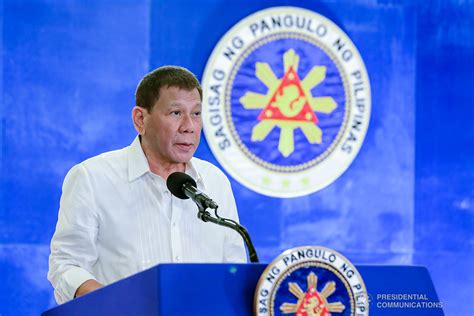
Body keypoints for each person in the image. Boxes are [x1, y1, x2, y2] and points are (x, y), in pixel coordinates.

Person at [47, 66, 247, 304]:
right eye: (175, 113)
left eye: (196, 114)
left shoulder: (215, 182)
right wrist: (115, 304)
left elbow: (233, 270)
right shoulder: (92, 178)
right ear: (140, 119)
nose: (189, 126)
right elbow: (67, 266)